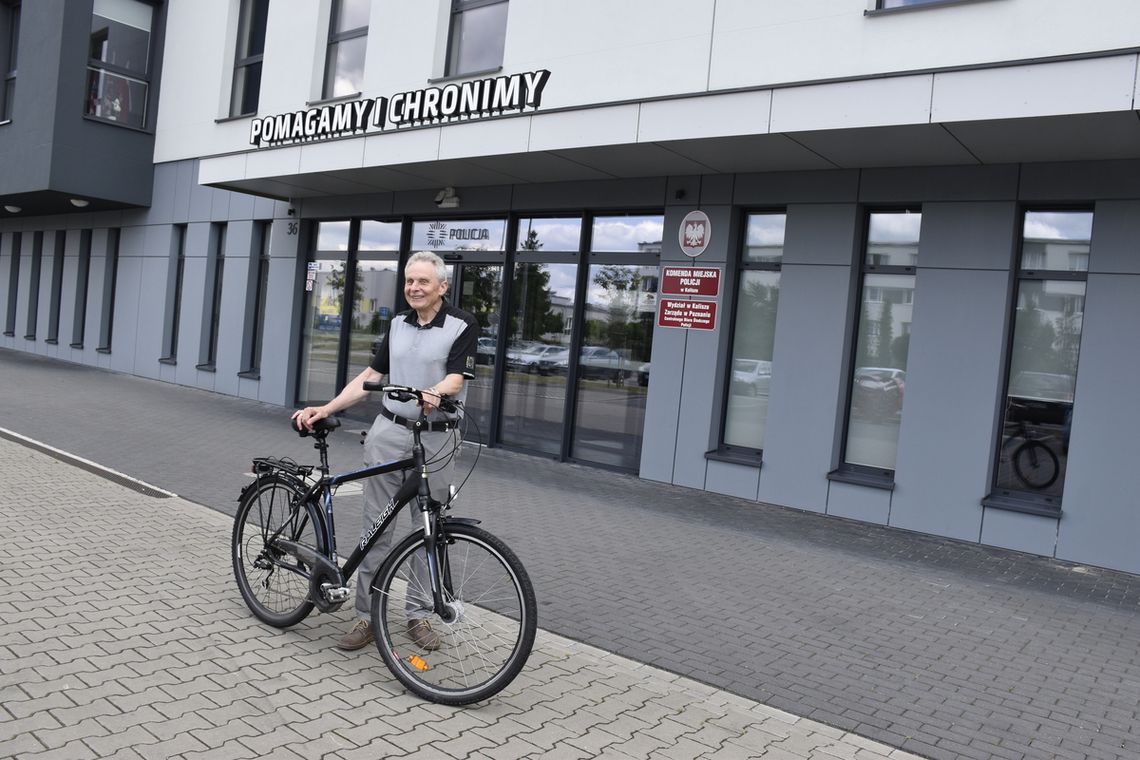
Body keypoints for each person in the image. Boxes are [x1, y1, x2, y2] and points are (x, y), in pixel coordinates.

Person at [293, 251, 478, 651]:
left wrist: (436, 392)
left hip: (437, 439)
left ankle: (419, 616)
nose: (414, 287)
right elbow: (370, 377)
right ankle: (366, 617)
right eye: (410, 281)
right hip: (389, 433)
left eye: (423, 281)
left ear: (442, 286)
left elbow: (456, 378)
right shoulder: (396, 325)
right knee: (376, 527)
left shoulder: (462, 324)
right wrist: (326, 408)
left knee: (429, 530)